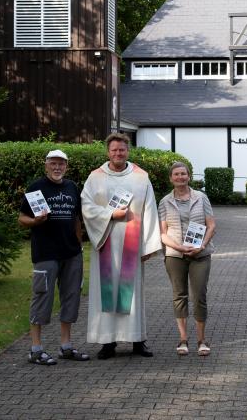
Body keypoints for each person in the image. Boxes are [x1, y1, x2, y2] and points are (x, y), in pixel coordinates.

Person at [81, 132, 162, 359]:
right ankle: (108, 342)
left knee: (133, 293)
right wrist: (111, 214)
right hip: (105, 240)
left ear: (128, 151)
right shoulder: (95, 177)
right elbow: (86, 206)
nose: (118, 153)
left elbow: (150, 210)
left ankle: (138, 340)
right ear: (108, 152)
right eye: (114, 150)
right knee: (106, 293)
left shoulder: (140, 177)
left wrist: (148, 245)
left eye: (122, 150)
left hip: (132, 246)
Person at [18, 149, 89, 365]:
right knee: (42, 297)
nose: (57, 167)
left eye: (61, 164)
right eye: (53, 164)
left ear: (66, 166)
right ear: (46, 165)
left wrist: (78, 245)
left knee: (71, 297)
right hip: (46, 253)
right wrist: (35, 222)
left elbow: (77, 218)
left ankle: (66, 346)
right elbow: (22, 218)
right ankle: (36, 349)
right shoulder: (36, 188)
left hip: (71, 253)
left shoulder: (72, 187)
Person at [158, 161, 216, 356]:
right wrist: (179, 247)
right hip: (175, 255)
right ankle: (183, 339)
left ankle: (201, 339)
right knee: (179, 295)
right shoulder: (165, 201)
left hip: (200, 254)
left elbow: (211, 225)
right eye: (176, 174)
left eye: (183, 174)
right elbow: (163, 233)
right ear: (171, 178)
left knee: (199, 295)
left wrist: (201, 245)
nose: (180, 177)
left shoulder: (201, 198)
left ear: (189, 176)